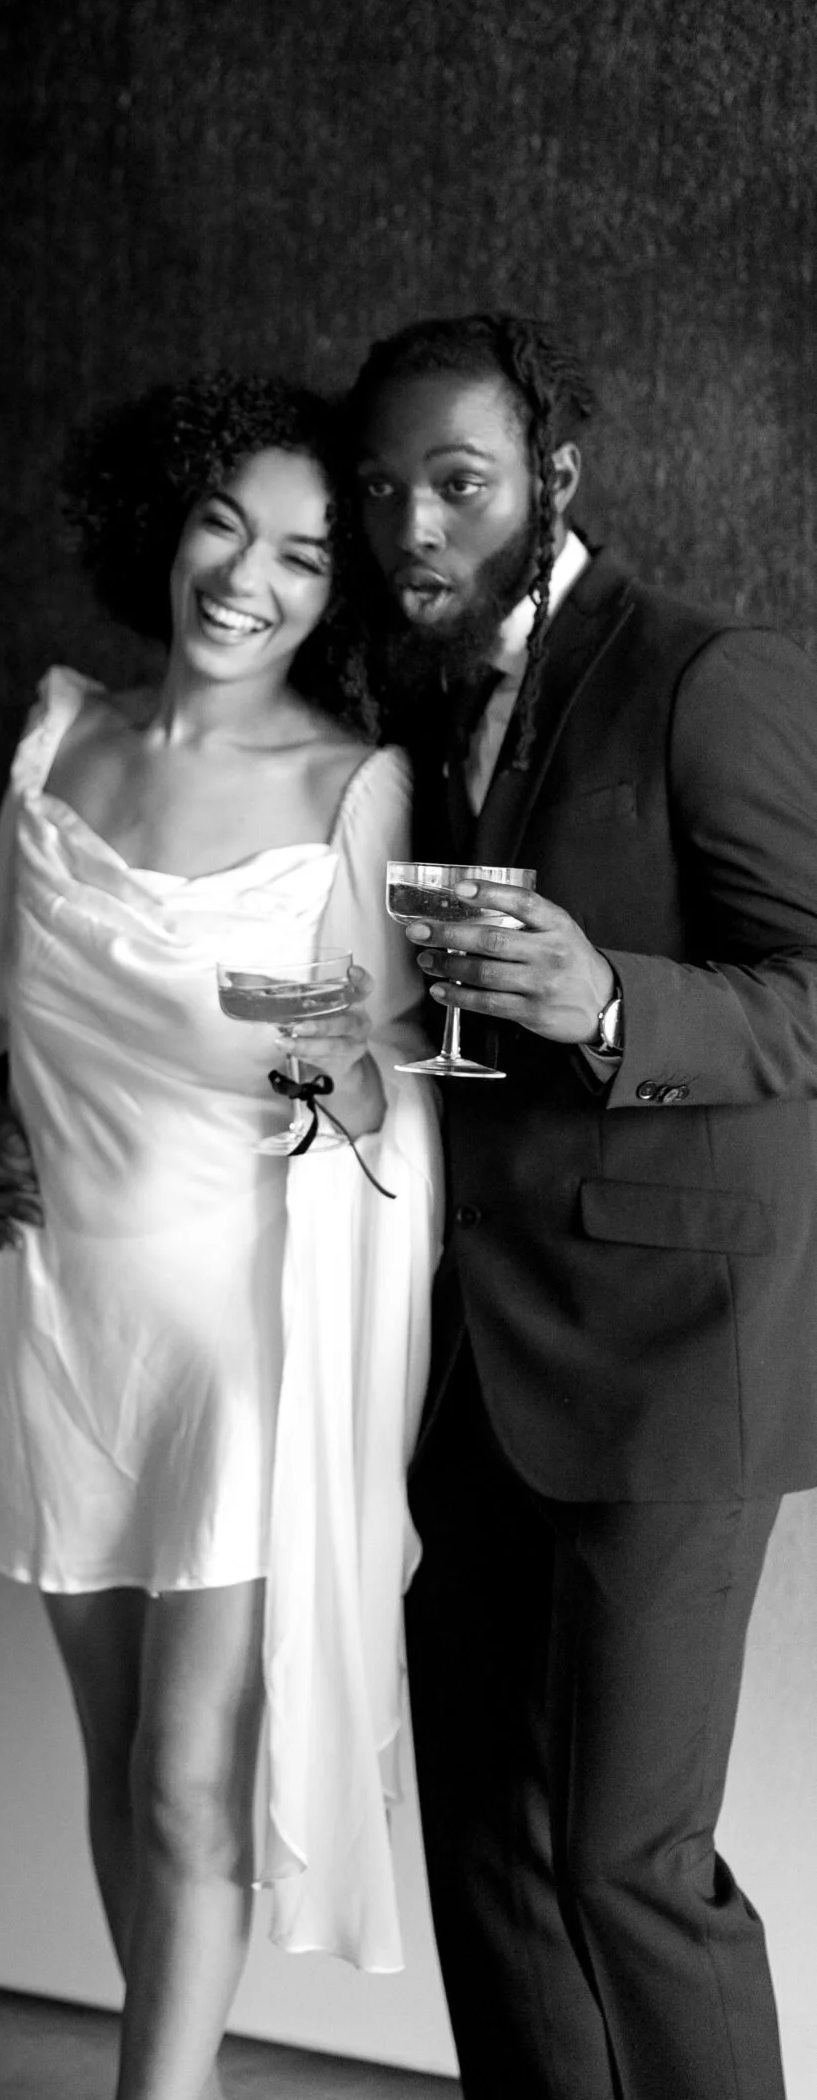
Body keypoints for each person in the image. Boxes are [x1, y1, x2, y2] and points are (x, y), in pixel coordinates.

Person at [0, 375, 441, 2100]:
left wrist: (303, 1049)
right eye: (222, 525)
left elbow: (372, 1074)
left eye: (300, 555)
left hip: (238, 1341)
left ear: (335, 590)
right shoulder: (59, 740)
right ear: (160, 523)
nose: (246, 580)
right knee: (120, 1759)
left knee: (191, 1785)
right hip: (56, 1319)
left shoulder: (352, 789)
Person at [347, 310, 817, 2100]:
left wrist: (610, 1000)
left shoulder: (707, 676)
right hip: (467, 1361)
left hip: (671, 1364)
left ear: (552, 477)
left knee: (628, 1867)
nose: (412, 528)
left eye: (456, 484)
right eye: (380, 490)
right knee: (484, 1848)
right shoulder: (400, 697)